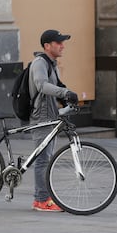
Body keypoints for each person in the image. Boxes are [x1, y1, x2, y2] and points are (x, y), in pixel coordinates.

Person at [29, 29, 78, 211]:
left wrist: (67, 99)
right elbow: (42, 85)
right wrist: (64, 92)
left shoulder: (51, 64)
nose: (62, 46)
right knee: (43, 160)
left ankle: (42, 198)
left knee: (46, 158)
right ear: (47, 46)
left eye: (63, 42)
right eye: (59, 43)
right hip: (41, 116)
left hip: (50, 115)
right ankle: (41, 200)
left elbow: (56, 87)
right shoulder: (39, 63)